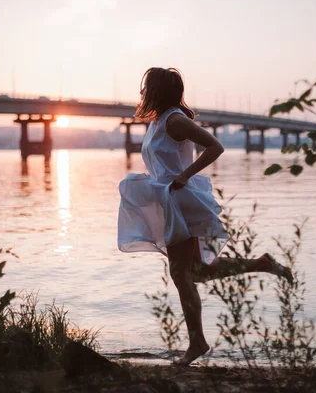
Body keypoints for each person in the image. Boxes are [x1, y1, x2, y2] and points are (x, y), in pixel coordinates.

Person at [118, 67, 293, 366]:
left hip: (180, 201)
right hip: (168, 199)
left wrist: (185, 175)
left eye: (146, 87)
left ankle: (197, 342)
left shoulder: (175, 119)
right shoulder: (159, 120)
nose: (142, 92)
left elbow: (216, 146)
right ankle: (261, 264)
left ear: (158, 90)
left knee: (180, 273)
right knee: (196, 272)